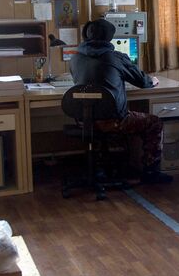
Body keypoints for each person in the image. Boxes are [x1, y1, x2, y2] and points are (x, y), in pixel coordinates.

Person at [69, 18, 171, 184]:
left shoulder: (75, 59)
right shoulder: (115, 57)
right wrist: (152, 80)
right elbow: (143, 82)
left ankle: (106, 164)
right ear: (109, 37)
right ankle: (150, 172)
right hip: (114, 120)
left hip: (85, 121)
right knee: (154, 122)